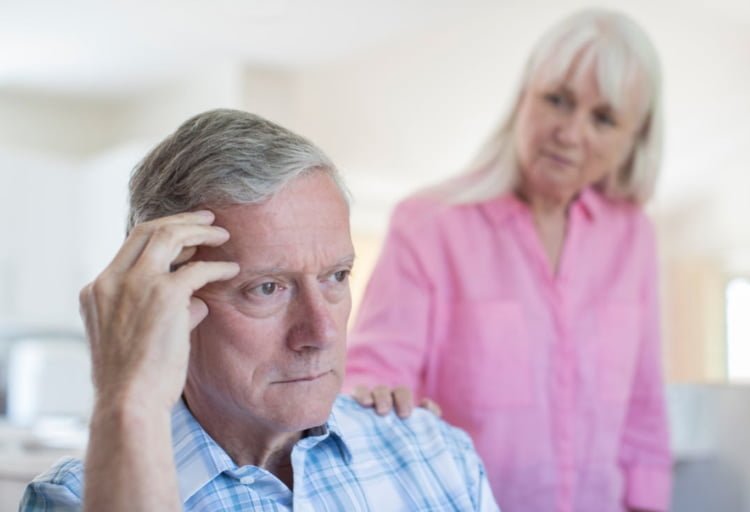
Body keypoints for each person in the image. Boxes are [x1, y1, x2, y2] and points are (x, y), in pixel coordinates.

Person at [19, 109, 499, 511]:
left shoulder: (434, 452)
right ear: (163, 302)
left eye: (336, 277)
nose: (321, 332)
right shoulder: (74, 499)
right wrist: (130, 399)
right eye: (267, 288)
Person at [346, 8, 672, 512]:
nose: (570, 132)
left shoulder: (633, 237)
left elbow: (644, 410)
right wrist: (374, 396)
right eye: (558, 100)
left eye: (603, 118)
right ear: (525, 97)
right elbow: (373, 382)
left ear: (633, 140)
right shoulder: (428, 224)